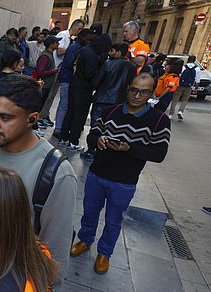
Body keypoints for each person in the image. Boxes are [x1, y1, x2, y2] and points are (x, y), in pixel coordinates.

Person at [0, 74, 76, 281]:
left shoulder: (56, 173)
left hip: (15, 286)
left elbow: (54, 260)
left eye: (5, 117)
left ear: (32, 119)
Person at [71, 73, 170, 273]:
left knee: (113, 219)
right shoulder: (111, 111)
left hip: (124, 181)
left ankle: (104, 253)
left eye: (143, 92)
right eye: (133, 90)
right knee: (89, 212)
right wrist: (97, 141)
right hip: (97, 174)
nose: (136, 95)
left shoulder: (159, 120)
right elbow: (92, 135)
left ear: (151, 94)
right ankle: (85, 240)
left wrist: (129, 148)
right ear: (127, 89)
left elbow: (159, 154)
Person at [59, 32, 112, 151]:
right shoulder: (91, 54)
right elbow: (89, 74)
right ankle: (73, 141)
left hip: (75, 85)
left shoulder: (85, 50)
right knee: (79, 115)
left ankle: (63, 138)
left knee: (70, 112)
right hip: (83, 88)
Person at [84, 42, 137, 160]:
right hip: (119, 101)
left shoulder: (108, 64)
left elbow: (96, 82)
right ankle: (105, 150)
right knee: (112, 128)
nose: (109, 53)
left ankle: (91, 150)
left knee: (96, 126)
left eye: (112, 50)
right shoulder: (131, 68)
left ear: (118, 52)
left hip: (102, 99)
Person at [39, 19, 85, 129]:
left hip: (58, 70)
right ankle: (40, 117)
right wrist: (72, 49)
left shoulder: (70, 39)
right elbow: (59, 52)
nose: (79, 31)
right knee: (48, 95)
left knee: (52, 95)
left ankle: (45, 115)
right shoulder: (63, 35)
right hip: (53, 69)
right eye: (79, 29)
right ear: (73, 26)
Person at [52, 28, 95, 138]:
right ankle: (58, 129)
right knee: (64, 104)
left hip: (70, 79)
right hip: (67, 78)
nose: (89, 42)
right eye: (88, 39)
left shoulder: (78, 47)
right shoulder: (74, 48)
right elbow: (69, 64)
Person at [35, 35, 61, 127]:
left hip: (47, 85)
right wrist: (53, 71)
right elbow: (41, 72)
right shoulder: (45, 56)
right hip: (43, 85)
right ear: (51, 44)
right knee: (38, 105)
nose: (58, 44)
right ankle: (35, 124)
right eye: (56, 42)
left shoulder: (49, 54)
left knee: (41, 104)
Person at [170, 55, 200, 120]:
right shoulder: (197, 69)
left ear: (188, 60)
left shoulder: (183, 67)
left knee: (175, 100)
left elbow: (179, 75)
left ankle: (171, 114)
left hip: (180, 85)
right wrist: (195, 88)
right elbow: (197, 79)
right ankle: (180, 111)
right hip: (189, 86)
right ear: (194, 61)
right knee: (185, 100)